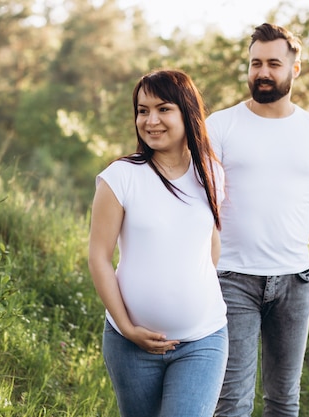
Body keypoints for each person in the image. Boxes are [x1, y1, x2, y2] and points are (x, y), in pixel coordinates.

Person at [207, 23, 309, 417]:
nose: (263, 72)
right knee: (232, 401)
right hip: (231, 280)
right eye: (255, 63)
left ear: (295, 69)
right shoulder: (219, 126)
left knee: (284, 401)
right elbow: (202, 207)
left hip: (295, 282)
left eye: (273, 63)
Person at [88, 69, 228, 417]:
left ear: (186, 111)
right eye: (142, 110)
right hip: (130, 345)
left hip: (203, 338)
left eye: (163, 109)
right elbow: (99, 257)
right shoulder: (120, 177)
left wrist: (188, 296)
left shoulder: (211, 173)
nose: (150, 120)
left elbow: (210, 245)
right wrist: (128, 327)